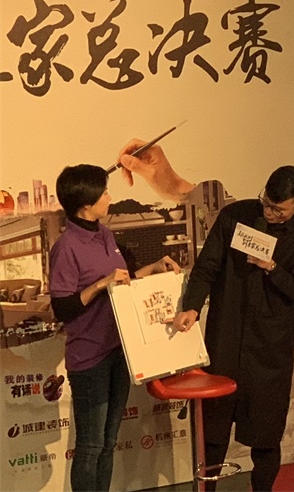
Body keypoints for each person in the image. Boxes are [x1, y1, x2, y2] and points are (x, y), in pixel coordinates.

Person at [172, 166, 294, 492]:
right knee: (213, 430)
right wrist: (192, 306)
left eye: (278, 210)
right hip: (226, 335)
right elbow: (206, 268)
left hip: (271, 345)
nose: (269, 212)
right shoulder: (235, 216)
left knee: (265, 434)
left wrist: (272, 268)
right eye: (266, 203)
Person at [49, 164, 181, 492]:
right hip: (89, 358)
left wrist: (153, 268)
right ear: (86, 203)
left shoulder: (105, 234)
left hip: (119, 350)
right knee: (91, 445)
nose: (110, 197)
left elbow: (122, 281)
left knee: (109, 442)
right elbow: (63, 308)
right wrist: (100, 284)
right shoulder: (66, 247)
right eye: (104, 192)